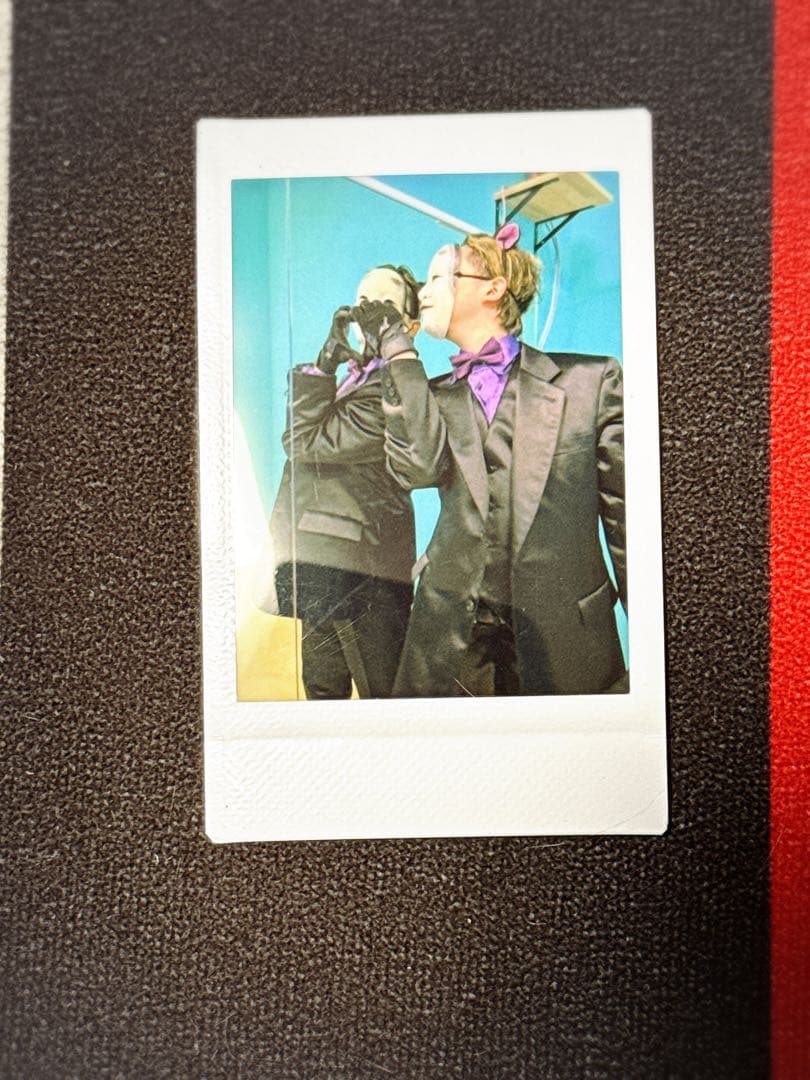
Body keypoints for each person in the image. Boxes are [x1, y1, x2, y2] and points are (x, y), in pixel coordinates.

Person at [351, 225, 627, 697]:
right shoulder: (428, 395)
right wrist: (399, 352)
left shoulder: (592, 381)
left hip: (565, 641)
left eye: (436, 278)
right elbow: (416, 469)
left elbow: (631, 527)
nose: (422, 293)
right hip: (452, 645)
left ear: (493, 289)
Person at [269, 265, 421, 699]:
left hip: (365, 571)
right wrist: (325, 367)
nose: (368, 313)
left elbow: (301, 442)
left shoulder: (395, 391)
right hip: (322, 559)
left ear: (410, 326)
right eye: (363, 302)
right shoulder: (356, 378)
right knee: (322, 689)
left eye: (385, 305)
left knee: (382, 695)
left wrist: (323, 370)